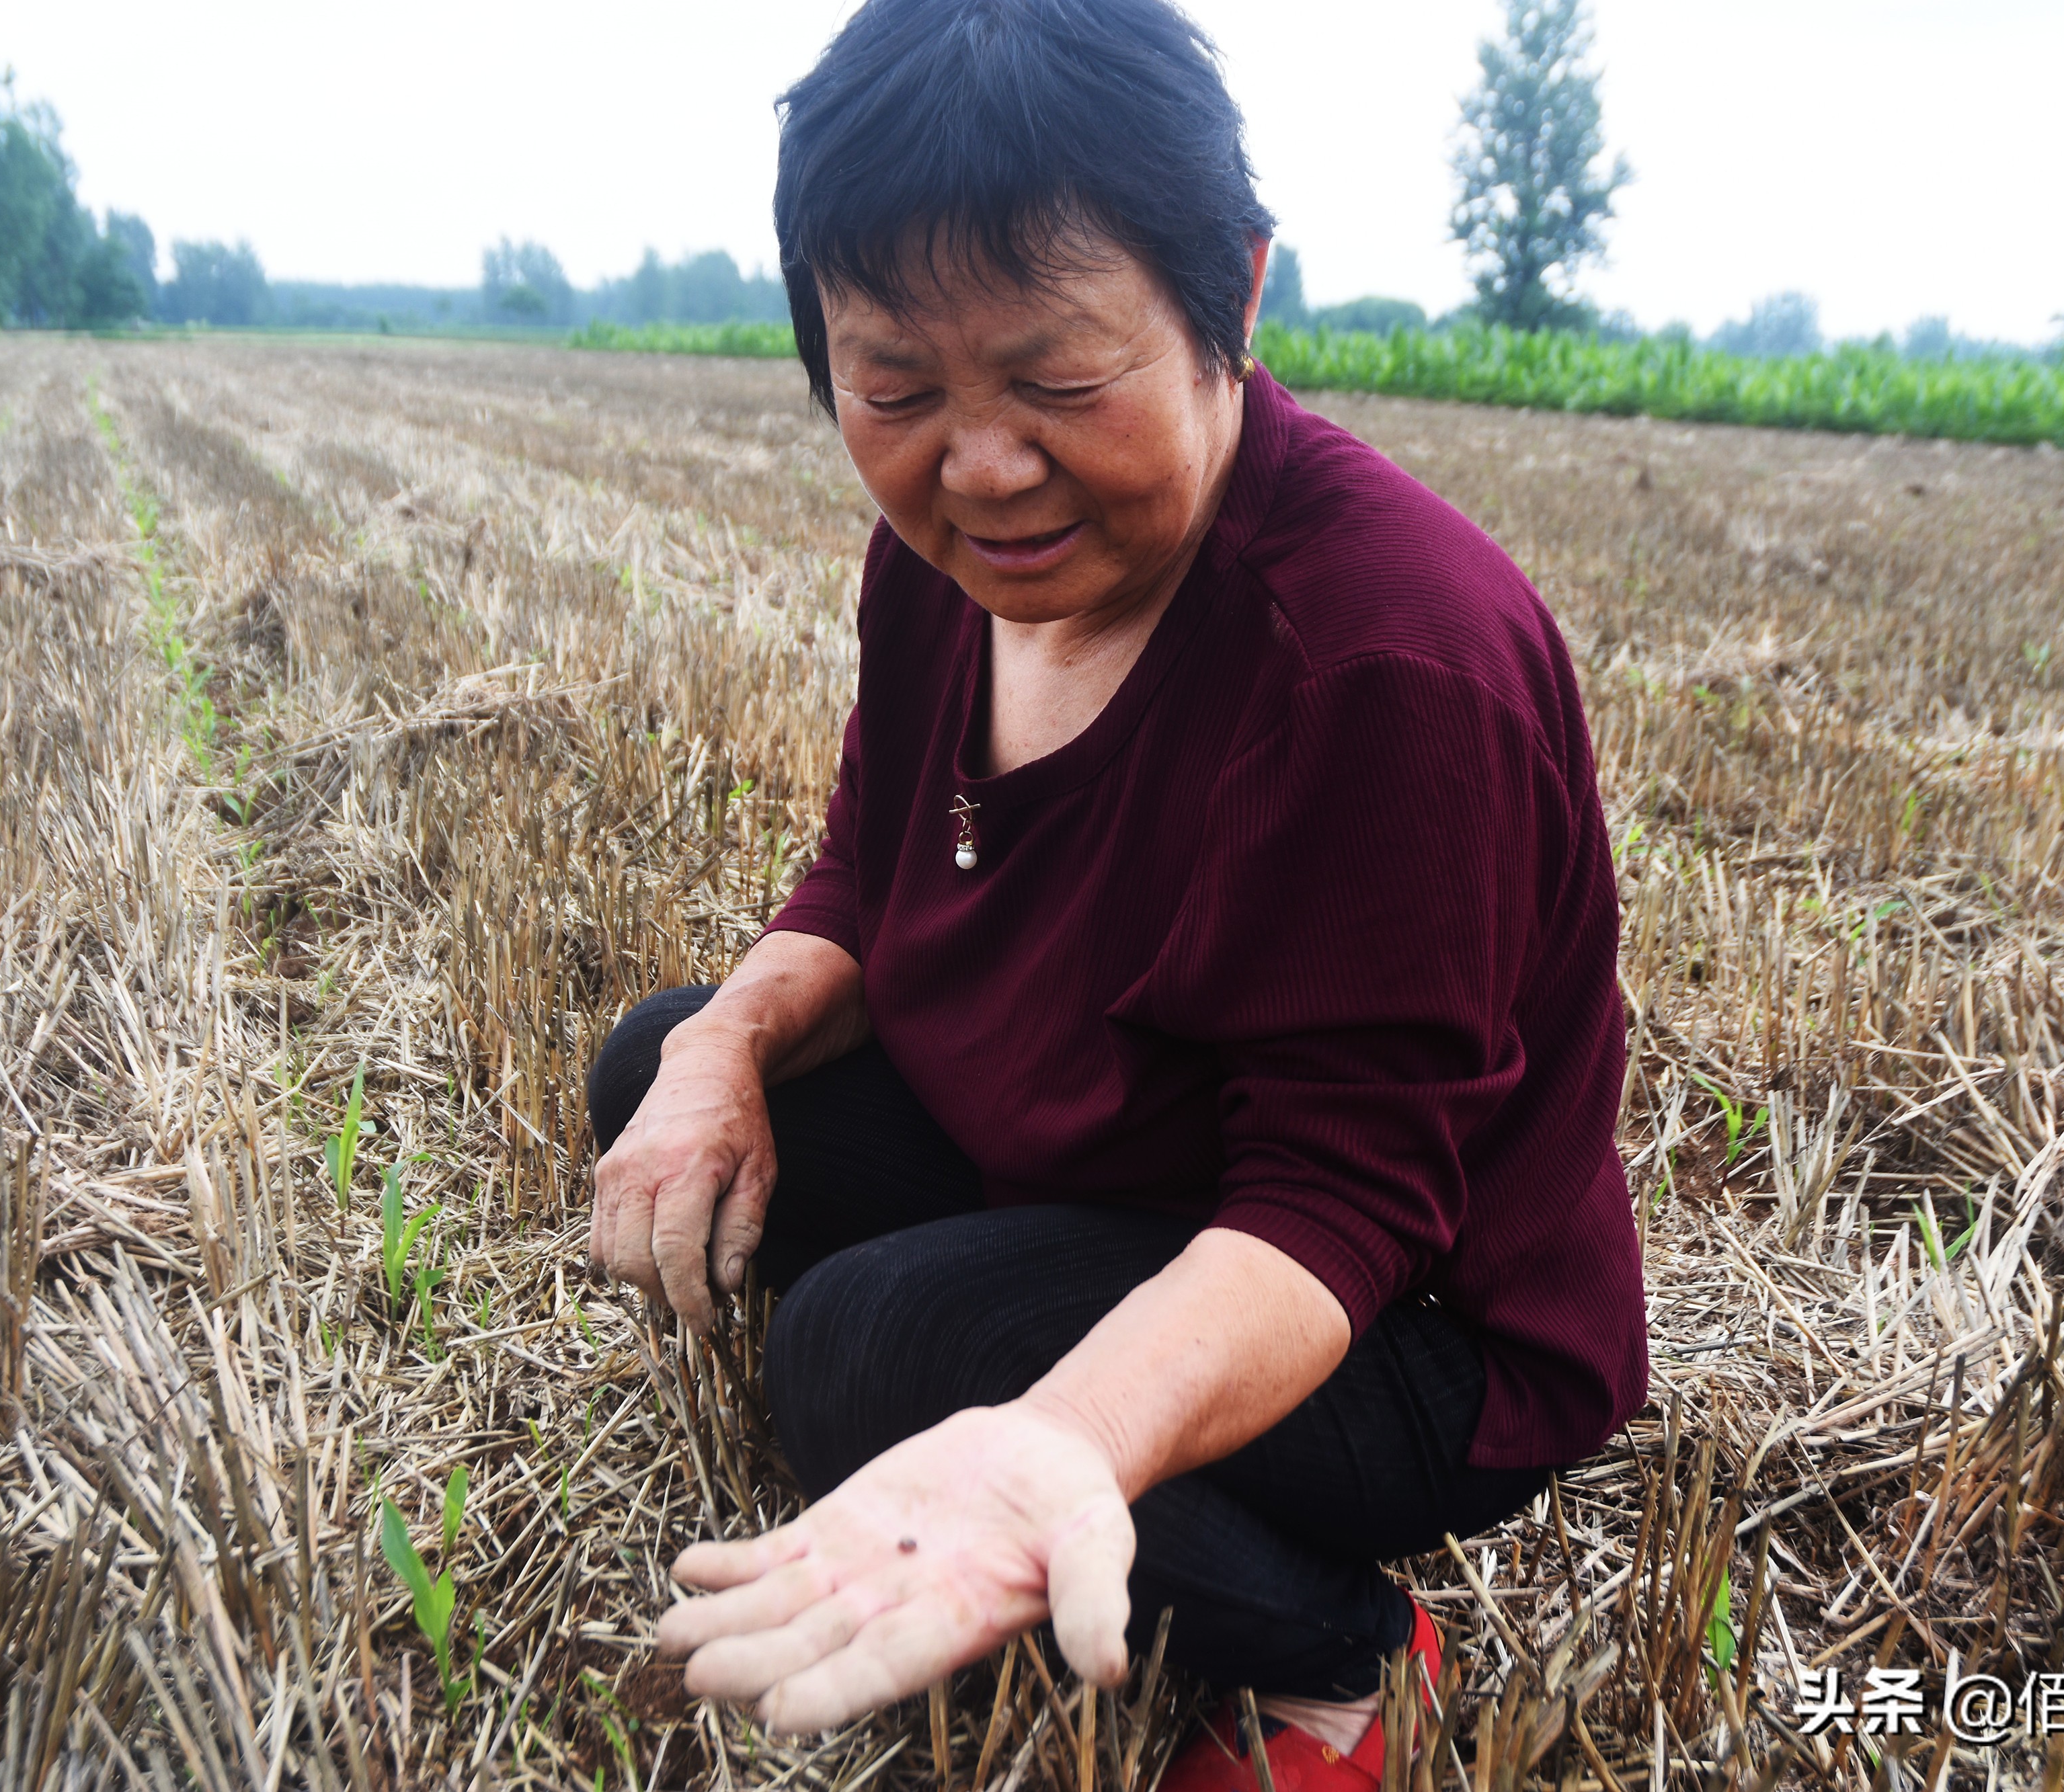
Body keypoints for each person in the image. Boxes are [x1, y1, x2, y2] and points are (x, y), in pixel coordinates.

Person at [586, 1, 1649, 1785]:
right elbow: (863, 871)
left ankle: (1340, 1656)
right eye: (897, 387)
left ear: (1234, 295)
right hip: (1119, 1160)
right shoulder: (942, 567)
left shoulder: (1392, 662)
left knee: (867, 1350)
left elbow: (1344, 1203)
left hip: (1398, 1326)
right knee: (670, 1058)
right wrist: (725, 1050)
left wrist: (1051, 1436)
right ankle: (1016, 1384)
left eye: (1059, 380)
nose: (981, 467)